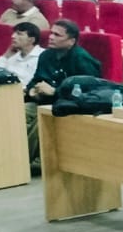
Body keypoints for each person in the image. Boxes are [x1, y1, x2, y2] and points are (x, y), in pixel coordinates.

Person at [24, 21, 102, 169]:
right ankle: (11, 154)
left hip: (69, 106)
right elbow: (36, 79)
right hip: (43, 101)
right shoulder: (46, 55)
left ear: (71, 41)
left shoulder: (82, 59)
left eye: (57, 35)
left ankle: (30, 160)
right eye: (51, 33)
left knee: (41, 118)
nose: (51, 37)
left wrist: (55, 91)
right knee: (19, 112)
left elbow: (91, 92)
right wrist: (32, 91)